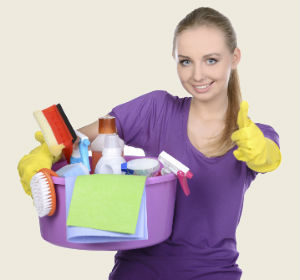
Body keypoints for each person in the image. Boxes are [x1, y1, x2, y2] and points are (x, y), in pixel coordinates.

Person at [17, 7, 281, 280]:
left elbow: (270, 156)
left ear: (235, 57)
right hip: (138, 271)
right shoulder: (156, 109)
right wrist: (45, 154)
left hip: (213, 272)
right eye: (186, 61)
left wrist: (261, 151)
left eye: (211, 60)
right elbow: (77, 141)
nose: (197, 75)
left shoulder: (253, 135)